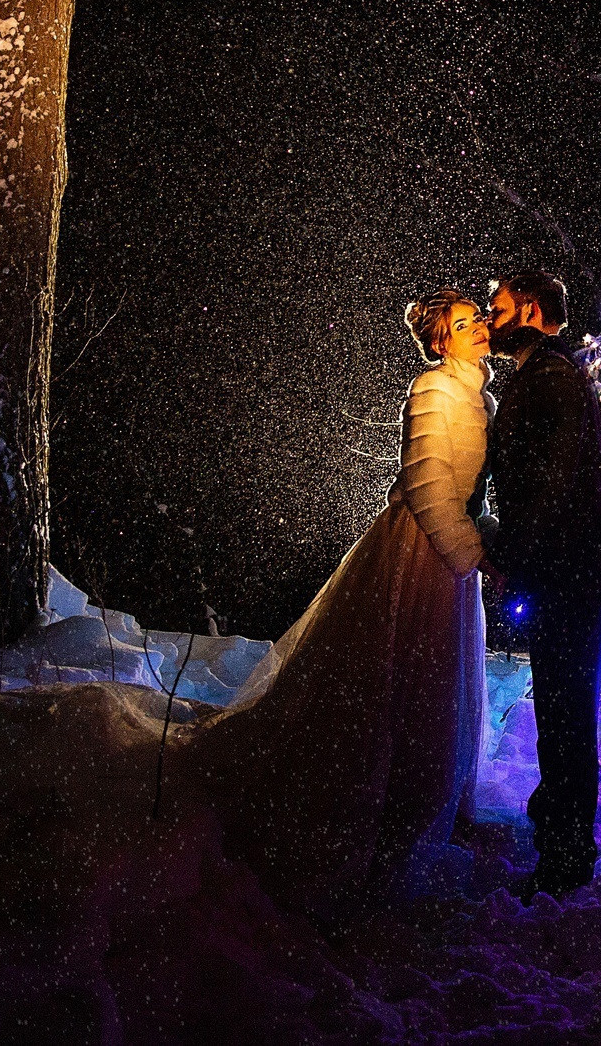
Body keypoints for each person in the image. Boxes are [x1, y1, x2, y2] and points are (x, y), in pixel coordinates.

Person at [179, 288, 492, 913]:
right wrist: (466, 553)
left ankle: (426, 795)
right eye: (463, 325)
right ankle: (383, 801)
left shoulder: (480, 393)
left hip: (456, 555)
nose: (479, 328)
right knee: (403, 678)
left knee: (436, 682)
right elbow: (426, 482)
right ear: (439, 342)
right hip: (423, 553)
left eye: (477, 318)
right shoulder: (434, 390)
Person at [480, 269, 601, 897]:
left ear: (532, 310)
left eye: (500, 307)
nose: (490, 318)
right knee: (557, 705)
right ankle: (557, 823)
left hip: (571, 570)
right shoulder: (540, 376)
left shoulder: (556, 379)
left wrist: (513, 548)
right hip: (562, 568)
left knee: (566, 710)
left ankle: (569, 855)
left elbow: (557, 477)